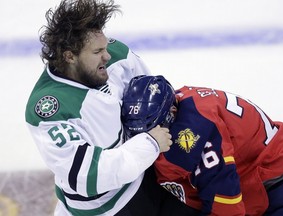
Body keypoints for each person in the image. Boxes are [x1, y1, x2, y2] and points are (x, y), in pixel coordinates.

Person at [25, 1, 173, 215]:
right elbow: (89, 176)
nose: (108, 55)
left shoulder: (117, 57)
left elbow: (155, 97)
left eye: (105, 47)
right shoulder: (51, 110)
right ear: (69, 56)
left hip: (146, 179)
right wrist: (149, 144)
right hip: (102, 210)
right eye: (97, 51)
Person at [121, 75, 283, 216]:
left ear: (172, 112)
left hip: (274, 177)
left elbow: (224, 195)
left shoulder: (196, 132)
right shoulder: (171, 106)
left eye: (152, 128)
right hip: (251, 169)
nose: (146, 138)